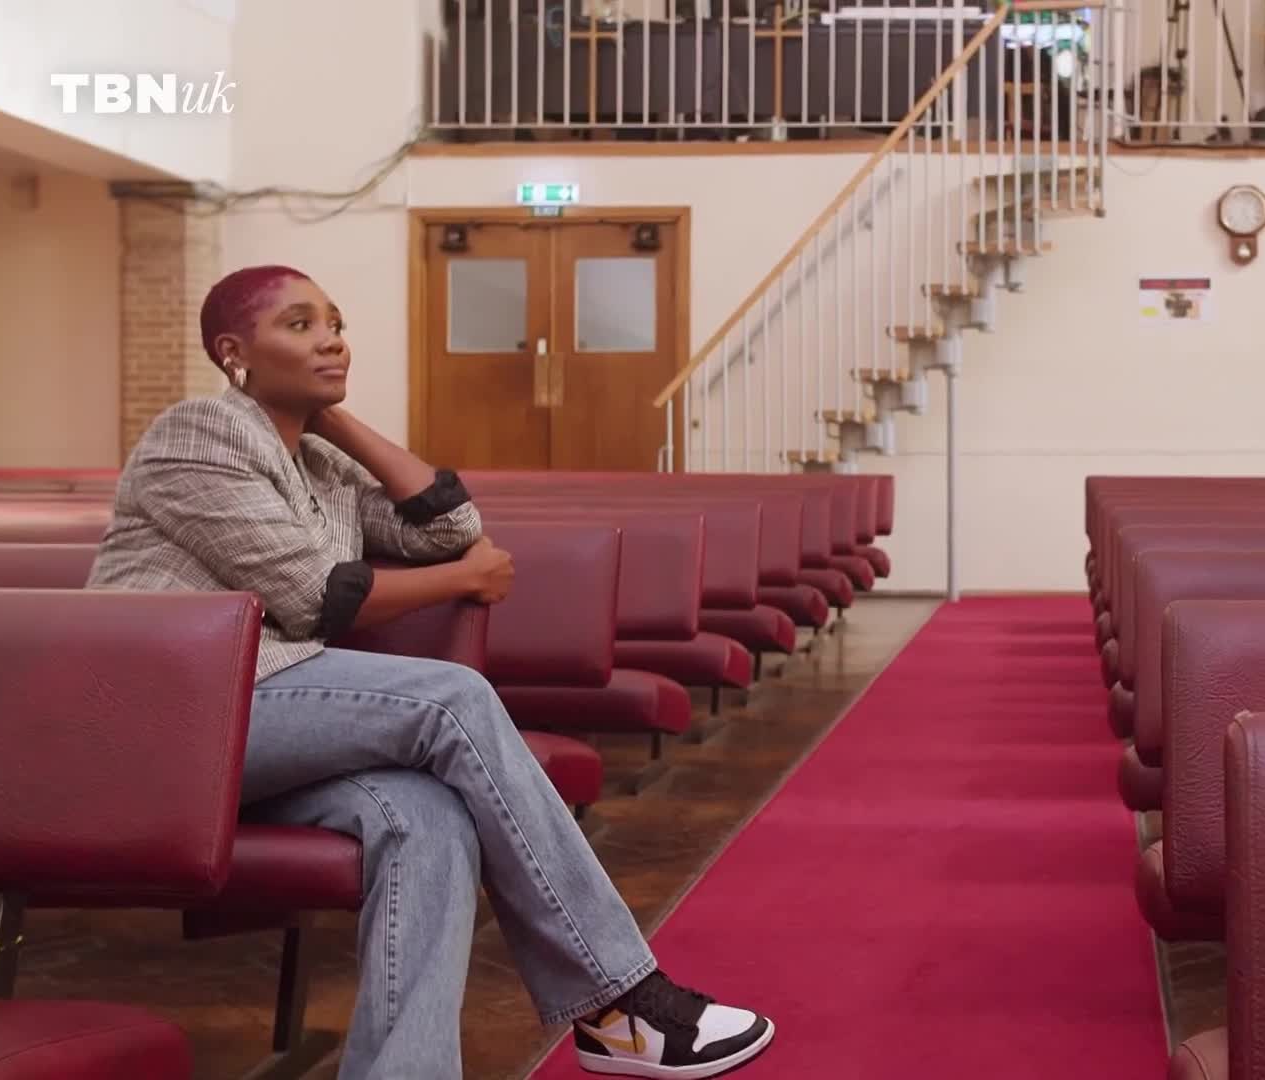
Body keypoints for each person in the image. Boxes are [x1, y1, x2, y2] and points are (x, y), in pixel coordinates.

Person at [88, 265, 775, 1080]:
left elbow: (451, 526)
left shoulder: (319, 464)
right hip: (173, 721)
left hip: (257, 727)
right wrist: (464, 580)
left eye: (336, 324)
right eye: (300, 325)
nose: (331, 339)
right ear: (232, 353)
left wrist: (337, 422)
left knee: (427, 817)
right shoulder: (199, 431)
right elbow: (316, 594)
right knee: (452, 700)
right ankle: (621, 999)